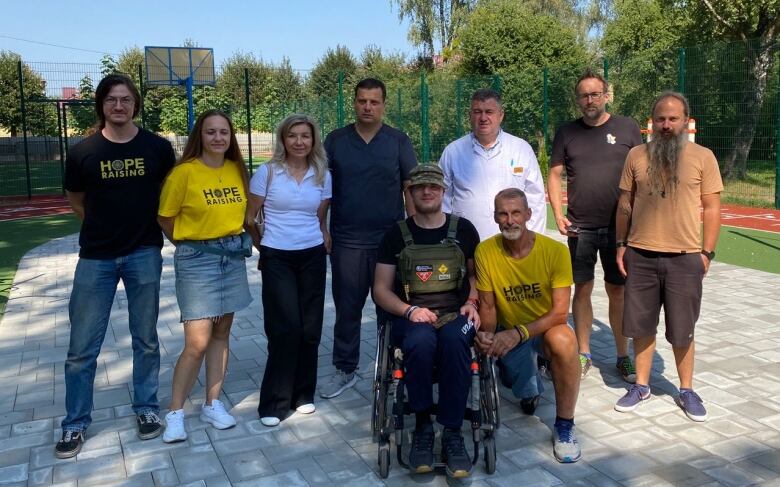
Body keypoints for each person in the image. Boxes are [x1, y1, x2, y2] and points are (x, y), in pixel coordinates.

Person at [57, 74, 175, 458]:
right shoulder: (82, 153)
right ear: (102, 106)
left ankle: (146, 409)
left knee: (146, 339)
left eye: (125, 100)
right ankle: (75, 423)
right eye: (112, 100)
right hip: (96, 258)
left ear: (135, 104)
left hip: (144, 253)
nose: (119, 106)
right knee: (81, 348)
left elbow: (166, 197)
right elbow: (77, 201)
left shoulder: (158, 148)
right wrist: (103, 229)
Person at [614, 91, 722, 422]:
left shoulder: (704, 157)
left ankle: (686, 389)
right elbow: (625, 203)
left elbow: (712, 207)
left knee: (682, 329)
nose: (666, 124)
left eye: (673, 119)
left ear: (686, 122)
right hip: (641, 255)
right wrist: (621, 244)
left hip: (685, 257)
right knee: (641, 326)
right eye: (660, 118)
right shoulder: (636, 155)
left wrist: (706, 253)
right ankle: (642, 385)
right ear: (652, 122)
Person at [373, 165, 481, 478]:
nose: (427, 192)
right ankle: (422, 425)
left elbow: (476, 276)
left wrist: (472, 302)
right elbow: (380, 289)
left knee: (454, 340)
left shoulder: (463, 230)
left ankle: (451, 431)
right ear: (410, 193)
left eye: (433, 186)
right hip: (412, 314)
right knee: (420, 342)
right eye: (419, 188)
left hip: (456, 313)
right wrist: (408, 310)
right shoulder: (396, 234)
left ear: (443, 191)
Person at [157, 109, 253, 442]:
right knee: (196, 342)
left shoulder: (236, 170)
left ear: (231, 137)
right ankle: (174, 412)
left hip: (231, 258)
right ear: (201, 135)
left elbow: (245, 214)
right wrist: (189, 246)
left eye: (223, 132)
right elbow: (166, 219)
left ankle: (212, 404)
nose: (217, 138)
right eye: (211, 132)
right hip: (198, 260)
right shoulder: (184, 173)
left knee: (222, 332)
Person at [321, 78, 418, 399]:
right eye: (362, 101)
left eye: (374, 102)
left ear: (383, 105)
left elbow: (410, 189)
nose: (367, 107)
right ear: (354, 102)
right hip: (346, 240)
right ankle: (345, 369)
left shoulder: (398, 141)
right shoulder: (335, 141)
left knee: (389, 309)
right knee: (347, 309)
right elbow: (321, 192)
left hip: (389, 243)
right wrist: (322, 229)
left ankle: (391, 369)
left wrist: (415, 234)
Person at [548, 70, 643, 381]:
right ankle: (584, 353)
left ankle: (622, 355)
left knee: (618, 291)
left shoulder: (628, 127)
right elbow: (554, 175)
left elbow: (641, 172)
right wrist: (558, 214)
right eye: (583, 95)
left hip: (620, 230)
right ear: (578, 100)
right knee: (583, 289)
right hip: (580, 227)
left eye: (594, 94)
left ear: (606, 95)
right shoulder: (566, 132)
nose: (589, 99)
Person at [475, 188, 581, 463]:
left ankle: (565, 426)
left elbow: (560, 312)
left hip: (543, 329)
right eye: (503, 214)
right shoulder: (485, 251)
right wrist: (487, 337)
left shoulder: (555, 251)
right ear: (496, 217)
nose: (510, 220)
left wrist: (518, 333)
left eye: (516, 213)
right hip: (508, 328)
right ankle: (526, 380)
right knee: (519, 387)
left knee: (565, 342)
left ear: (529, 215)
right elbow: (487, 306)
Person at [246, 114, 332, 427]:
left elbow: (319, 219)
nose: (299, 142)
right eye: (293, 136)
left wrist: (323, 237)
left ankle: (302, 395)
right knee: (286, 328)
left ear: (313, 140)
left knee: (310, 328)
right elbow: (249, 217)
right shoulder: (267, 172)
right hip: (277, 257)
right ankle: (274, 403)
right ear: (283, 139)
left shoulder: (323, 174)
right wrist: (264, 248)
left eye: (305, 136)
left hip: (312, 256)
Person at [439, 88, 546, 241]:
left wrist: (535, 241)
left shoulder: (521, 149)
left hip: (513, 243)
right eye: (477, 112)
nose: (483, 118)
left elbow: (536, 199)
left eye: (489, 112)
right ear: (470, 116)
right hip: (465, 243)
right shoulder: (453, 152)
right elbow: (443, 200)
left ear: (501, 115)